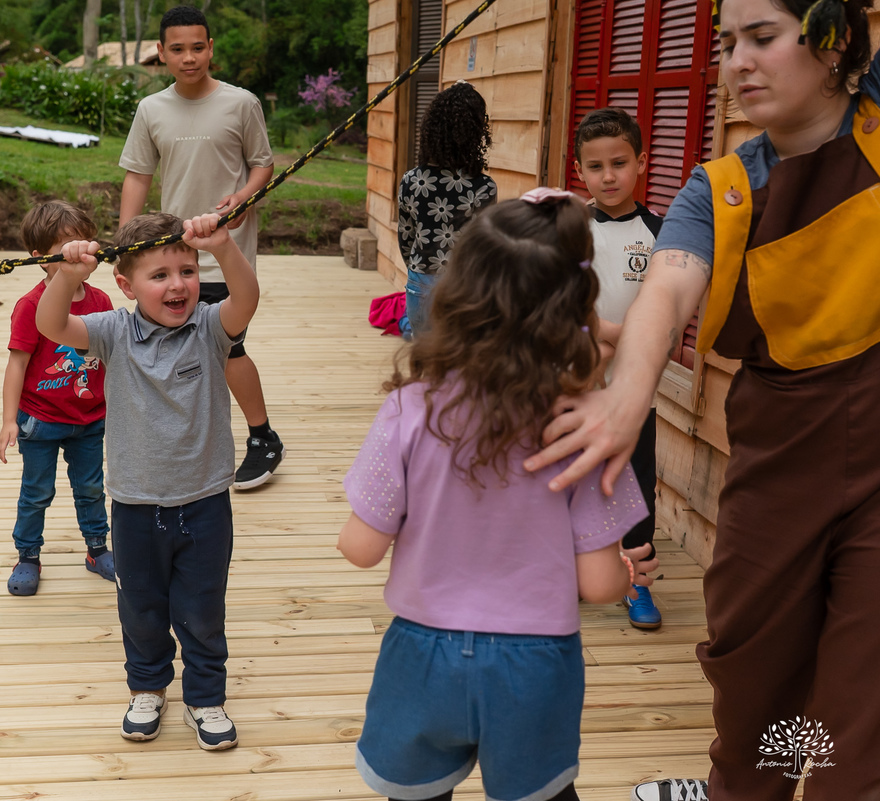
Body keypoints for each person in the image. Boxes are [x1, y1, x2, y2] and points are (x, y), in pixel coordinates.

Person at [521, 0, 880, 797]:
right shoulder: (718, 187)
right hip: (782, 444)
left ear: (834, 42)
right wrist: (625, 398)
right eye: (725, 45)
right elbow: (671, 282)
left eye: (763, 38)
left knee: (863, 683)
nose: (736, 63)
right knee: (755, 656)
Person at [339, 190, 650, 801]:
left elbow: (360, 547)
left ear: (458, 295)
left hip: (421, 656)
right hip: (535, 665)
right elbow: (601, 586)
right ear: (576, 310)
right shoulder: (581, 428)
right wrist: (622, 568)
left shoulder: (411, 408)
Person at [36, 211, 257, 751]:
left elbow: (246, 299)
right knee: (140, 608)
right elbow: (51, 326)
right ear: (125, 283)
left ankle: (205, 697)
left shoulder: (209, 327)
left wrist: (224, 247)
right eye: (159, 275)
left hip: (205, 502)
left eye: (187, 269)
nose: (177, 284)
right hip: (134, 506)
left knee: (203, 609)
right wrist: (67, 276)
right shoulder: (111, 331)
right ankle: (148, 687)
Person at [118, 5, 283, 490]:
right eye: (178, 49)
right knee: (181, 350)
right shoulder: (151, 109)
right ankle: (191, 442)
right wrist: (126, 247)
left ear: (211, 48)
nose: (189, 57)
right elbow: (137, 177)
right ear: (162, 54)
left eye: (198, 47)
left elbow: (262, 165)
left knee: (228, 347)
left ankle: (261, 437)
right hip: (172, 255)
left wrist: (245, 197)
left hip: (225, 251)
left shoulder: (241, 103)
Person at [573, 107, 665, 630]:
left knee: (636, 488)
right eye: (596, 166)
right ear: (580, 170)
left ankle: (638, 585)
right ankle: (568, 574)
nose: (608, 176)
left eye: (619, 163)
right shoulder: (569, 230)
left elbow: (665, 313)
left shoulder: (661, 234)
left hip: (635, 396)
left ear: (641, 163)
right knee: (571, 483)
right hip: (574, 390)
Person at [0, 201, 116, 596]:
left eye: (83, 246)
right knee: (37, 491)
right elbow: (17, 365)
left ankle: (97, 549)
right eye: (65, 251)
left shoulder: (100, 302)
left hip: (88, 418)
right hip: (41, 418)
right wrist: (8, 420)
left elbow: (112, 358)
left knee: (91, 486)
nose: (78, 257)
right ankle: (27, 555)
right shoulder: (31, 306)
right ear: (40, 258)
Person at [398, 80, 497, 336]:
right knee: (459, 360)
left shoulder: (411, 180)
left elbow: (406, 237)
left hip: (421, 280)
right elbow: (484, 246)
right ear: (476, 133)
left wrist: (419, 267)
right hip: (465, 284)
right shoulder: (485, 187)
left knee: (426, 355)